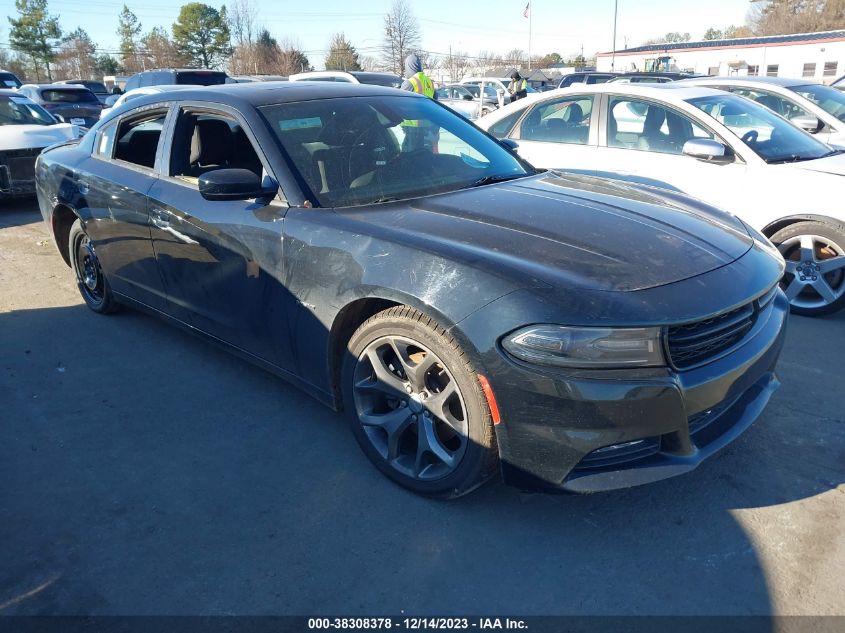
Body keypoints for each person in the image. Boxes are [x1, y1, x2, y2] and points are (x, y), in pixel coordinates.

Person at [399, 53, 438, 152]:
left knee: (409, 158)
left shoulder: (410, 82)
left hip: (413, 129)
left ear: (409, 66)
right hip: (428, 129)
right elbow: (436, 106)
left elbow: (398, 103)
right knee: (425, 156)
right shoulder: (429, 82)